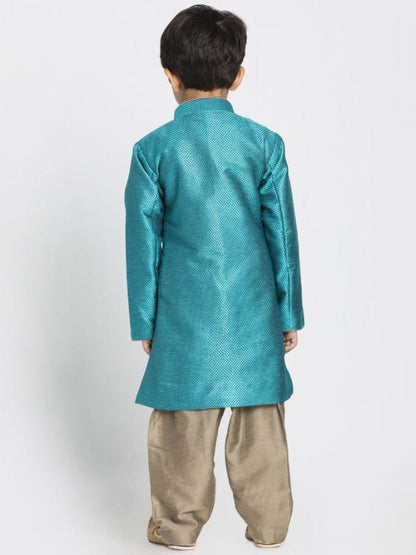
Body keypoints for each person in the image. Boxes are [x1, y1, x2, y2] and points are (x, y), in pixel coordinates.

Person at [124, 4, 305, 550]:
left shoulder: (152, 150)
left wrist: (146, 321)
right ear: (238, 75)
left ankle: (176, 531)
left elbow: (142, 244)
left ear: (170, 75)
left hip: (184, 320)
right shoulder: (264, 144)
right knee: (261, 435)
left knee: (179, 436)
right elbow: (282, 237)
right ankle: (270, 530)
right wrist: (289, 313)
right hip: (254, 316)